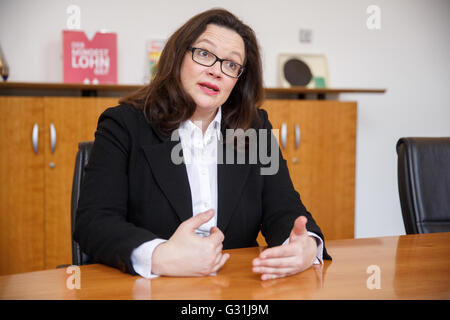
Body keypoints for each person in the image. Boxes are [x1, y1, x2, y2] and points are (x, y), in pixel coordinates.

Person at [73, 8, 331, 281]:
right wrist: (160, 255)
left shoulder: (254, 128)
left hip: (236, 287)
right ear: (178, 57)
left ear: (239, 79)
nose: (216, 71)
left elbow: (284, 208)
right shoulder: (125, 124)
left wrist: (306, 246)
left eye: (231, 65)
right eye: (205, 54)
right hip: (152, 288)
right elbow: (95, 223)